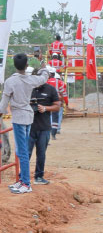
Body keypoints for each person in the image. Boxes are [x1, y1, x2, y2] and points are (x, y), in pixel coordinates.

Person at [0, 53, 49, 194]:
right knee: (22, 150)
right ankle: (22, 180)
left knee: (22, 152)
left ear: (15, 65)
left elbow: (4, 102)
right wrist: (42, 62)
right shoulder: (31, 79)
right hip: (28, 116)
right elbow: (45, 76)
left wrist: (0, 113)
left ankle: (26, 183)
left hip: (19, 118)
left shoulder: (10, 81)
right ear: (26, 65)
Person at [26, 67, 60, 185]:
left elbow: (57, 106)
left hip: (44, 127)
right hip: (29, 126)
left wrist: (45, 108)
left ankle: (39, 177)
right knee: (26, 153)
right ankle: (23, 177)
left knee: (41, 153)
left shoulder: (50, 89)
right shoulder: (28, 88)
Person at [47, 68, 68, 140]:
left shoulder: (46, 82)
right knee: (55, 118)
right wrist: (65, 102)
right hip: (56, 102)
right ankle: (53, 134)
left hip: (47, 103)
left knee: (48, 117)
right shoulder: (59, 82)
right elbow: (63, 93)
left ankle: (48, 133)